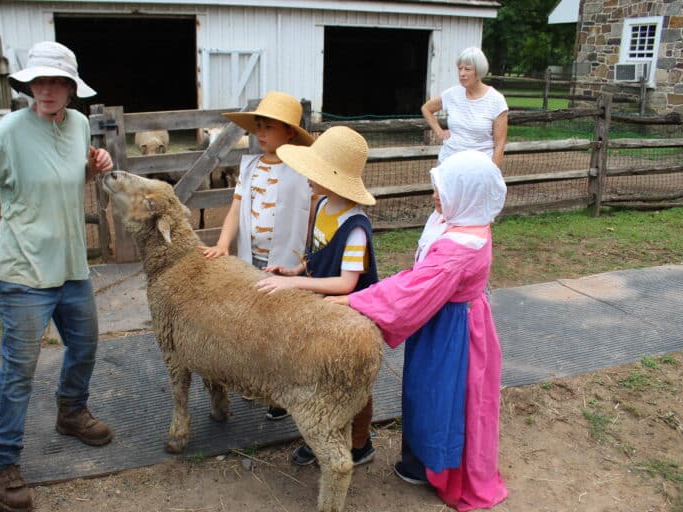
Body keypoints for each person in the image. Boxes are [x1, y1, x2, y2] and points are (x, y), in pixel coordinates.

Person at [0, 41, 113, 512]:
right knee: (19, 371)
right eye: (38, 81)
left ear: (71, 88)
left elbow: (73, 176)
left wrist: (94, 167)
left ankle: (71, 412)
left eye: (56, 82)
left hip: (72, 266)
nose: (45, 90)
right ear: (28, 85)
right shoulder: (11, 128)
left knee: (86, 345)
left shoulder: (79, 125)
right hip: (24, 271)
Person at [326, 150, 509, 511]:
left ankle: (436, 468)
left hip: (453, 334)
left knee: (443, 398)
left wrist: (354, 301)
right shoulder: (462, 219)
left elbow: (410, 291)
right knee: (425, 391)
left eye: (443, 189)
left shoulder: (459, 249)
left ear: (467, 191)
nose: (435, 196)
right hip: (447, 321)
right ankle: (421, 460)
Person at [255, 126, 379, 467]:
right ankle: (319, 434)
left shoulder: (355, 227)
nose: (307, 177)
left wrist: (295, 286)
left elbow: (346, 283)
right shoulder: (323, 204)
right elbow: (316, 256)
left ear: (334, 179)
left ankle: (359, 442)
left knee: (351, 382)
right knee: (316, 376)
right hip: (321, 310)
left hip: (349, 317)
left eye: (315, 172)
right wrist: (295, 271)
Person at [201, 90, 314, 421]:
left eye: (269, 128)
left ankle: (282, 394)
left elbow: (310, 214)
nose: (261, 135)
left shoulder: (303, 170)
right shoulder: (249, 166)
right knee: (255, 324)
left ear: (290, 132)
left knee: (284, 327)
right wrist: (224, 244)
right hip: (251, 264)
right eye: (258, 128)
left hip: (288, 265)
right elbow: (236, 207)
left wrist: (309, 257)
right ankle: (259, 383)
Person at [421, 47, 508, 167]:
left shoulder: (496, 100)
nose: (462, 74)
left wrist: (493, 171)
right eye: (460, 68)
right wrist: (439, 131)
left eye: (467, 69)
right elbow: (426, 109)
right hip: (448, 162)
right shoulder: (451, 94)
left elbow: (500, 143)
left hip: (479, 166)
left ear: (479, 71)